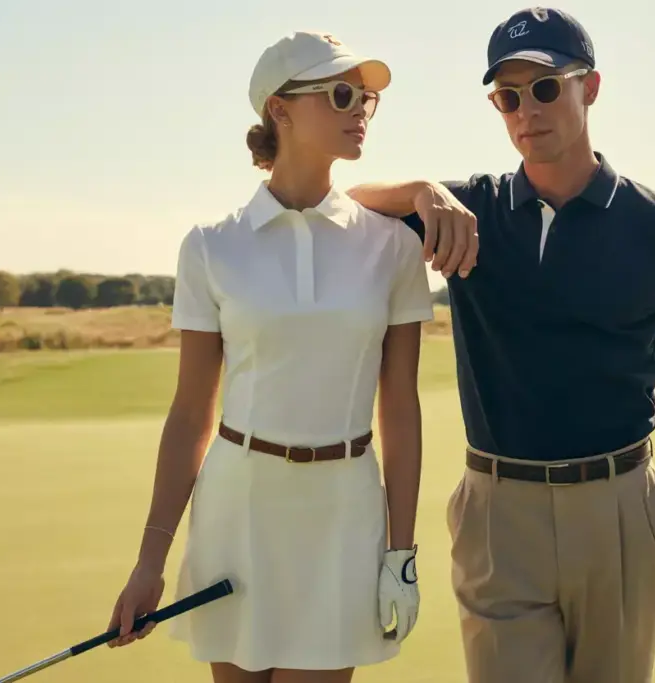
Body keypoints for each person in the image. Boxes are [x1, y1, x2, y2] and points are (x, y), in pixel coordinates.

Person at [347, 7, 655, 683]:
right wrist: (422, 190)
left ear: (591, 87)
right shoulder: (468, 209)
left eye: (545, 88)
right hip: (496, 517)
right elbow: (347, 200)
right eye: (507, 97)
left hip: (621, 513)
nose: (526, 111)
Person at [104, 31, 434, 683]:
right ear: (278, 110)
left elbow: (400, 407)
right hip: (239, 510)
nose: (359, 109)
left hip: (343, 513)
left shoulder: (393, 247)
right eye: (341, 94)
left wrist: (401, 551)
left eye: (365, 98)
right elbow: (191, 412)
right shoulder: (210, 247)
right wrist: (150, 561)